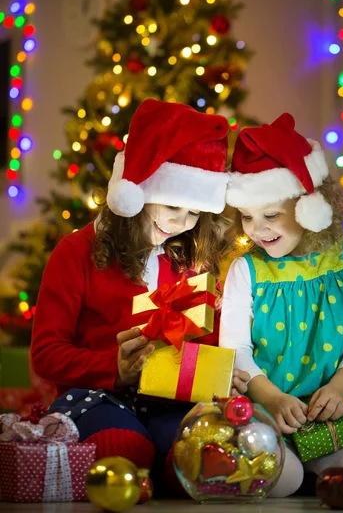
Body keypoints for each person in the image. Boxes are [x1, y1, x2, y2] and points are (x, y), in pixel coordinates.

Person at [31, 99, 249, 490]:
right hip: (96, 398)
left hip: (170, 401)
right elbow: (46, 353)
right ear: (138, 192)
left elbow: (203, 340)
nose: (179, 224)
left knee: (198, 456)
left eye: (195, 213)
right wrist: (113, 367)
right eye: (170, 206)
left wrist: (225, 371)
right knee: (124, 448)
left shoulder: (188, 256)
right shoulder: (77, 252)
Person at [219, 112, 343, 497]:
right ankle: (297, 474)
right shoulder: (246, 270)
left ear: (309, 205)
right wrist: (271, 397)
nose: (257, 230)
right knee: (282, 478)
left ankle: (314, 469)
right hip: (263, 411)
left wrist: (341, 389)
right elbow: (236, 349)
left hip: (328, 414)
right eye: (247, 217)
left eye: (271, 215)